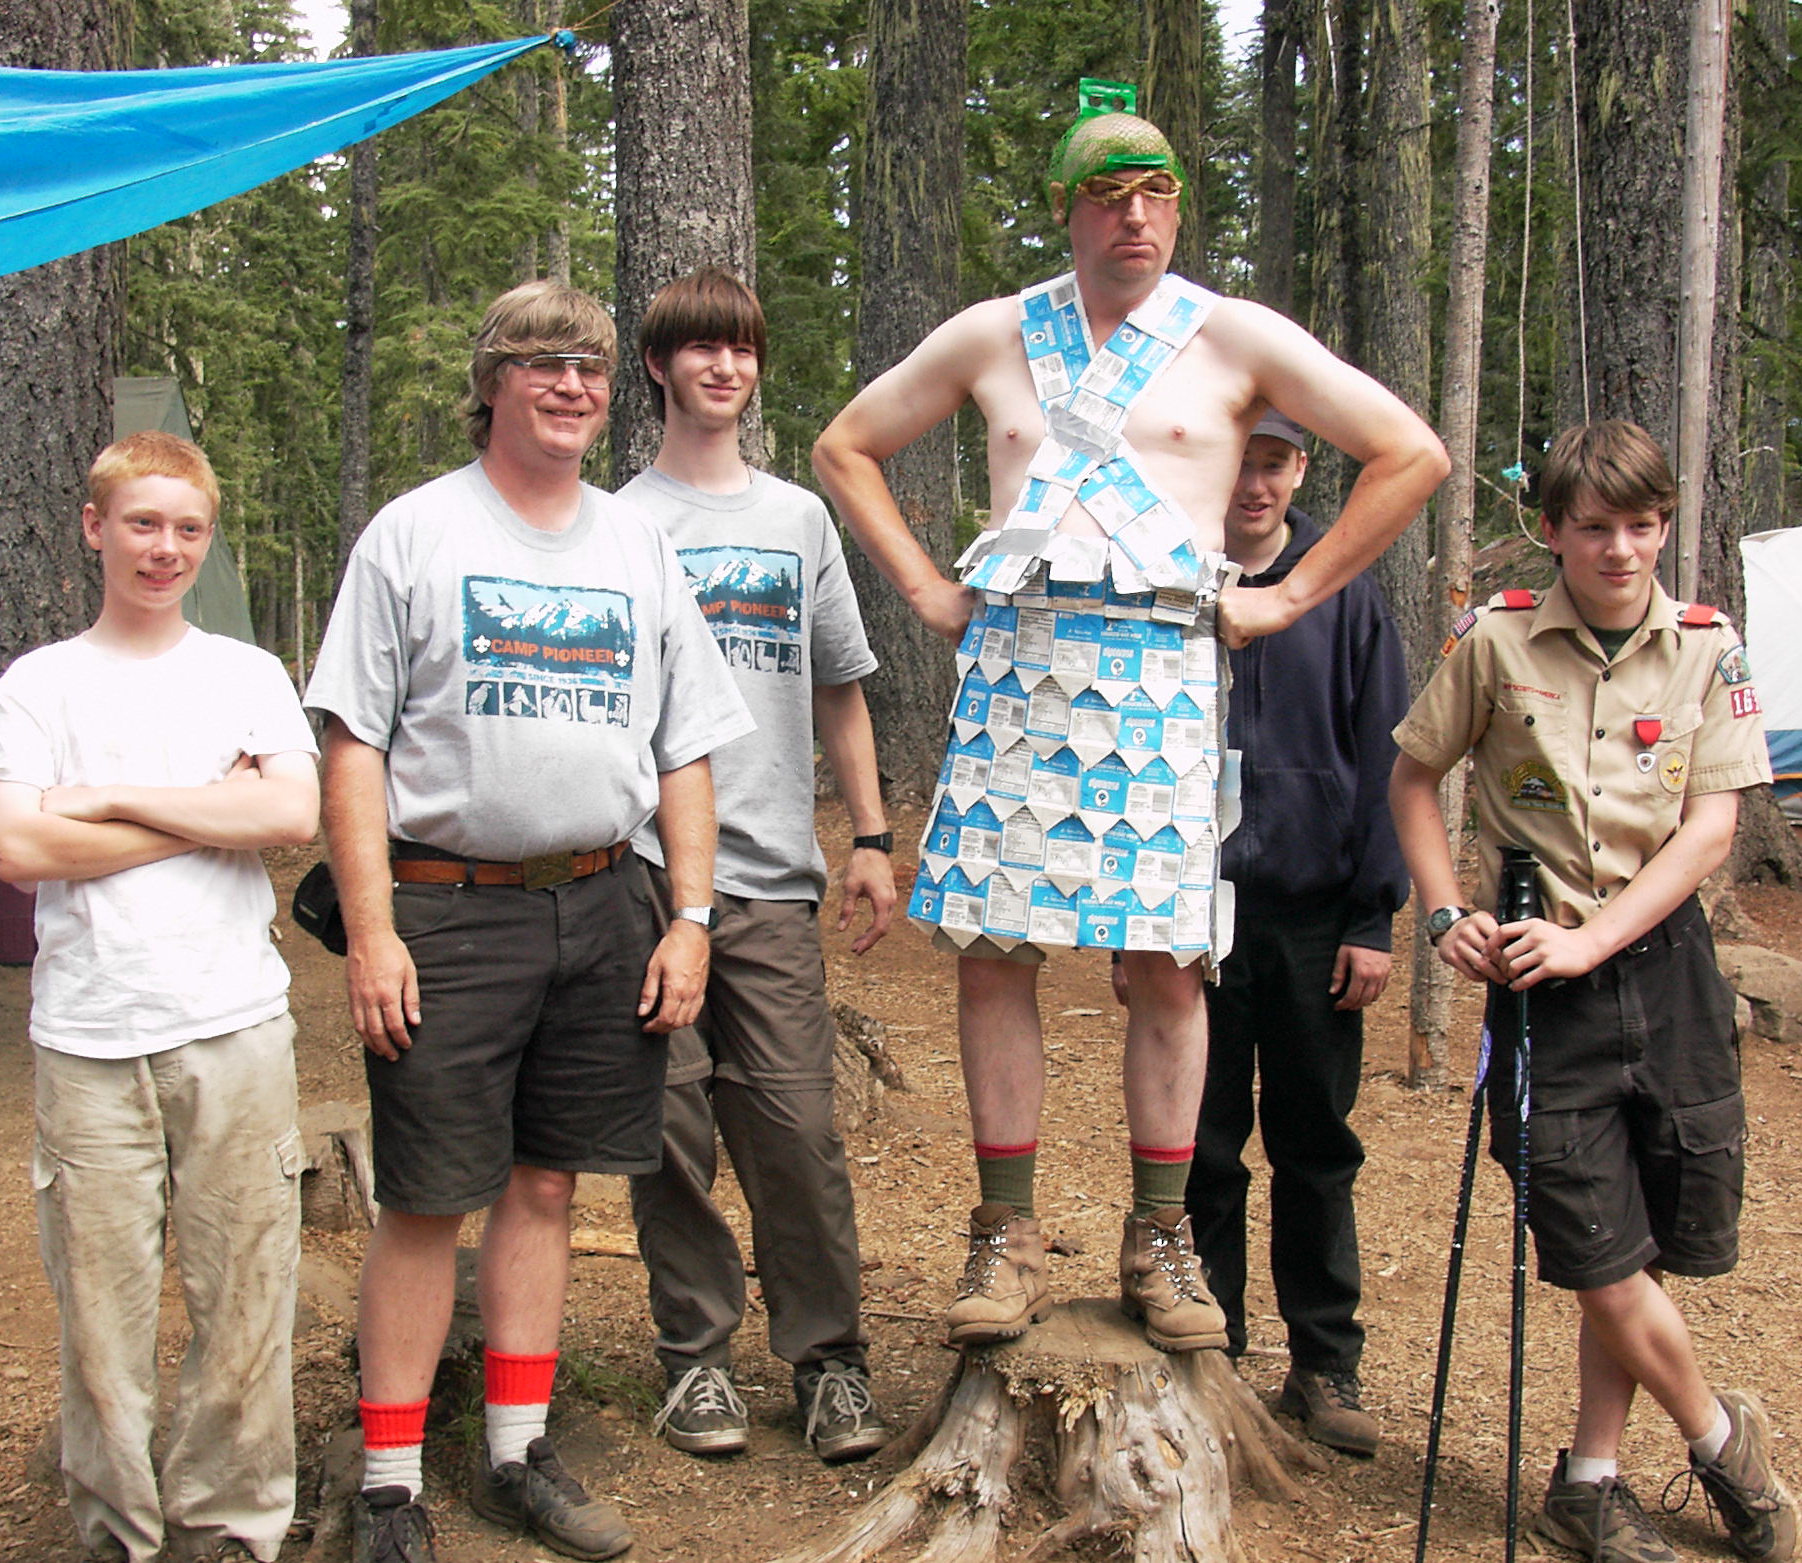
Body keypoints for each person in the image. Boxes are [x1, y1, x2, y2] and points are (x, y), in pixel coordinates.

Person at [812, 85, 1446, 1353]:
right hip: (1016, 669)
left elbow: (1410, 453)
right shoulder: (999, 335)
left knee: (1167, 961)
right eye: (1108, 197)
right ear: (1067, 210)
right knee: (995, 951)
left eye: (1157, 194)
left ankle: (1161, 1237)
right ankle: (1005, 1233)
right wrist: (929, 591)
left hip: (1164, 678)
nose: (1136, 218)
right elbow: (845, 446)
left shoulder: (1232, 336)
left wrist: (1287, 596)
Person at [305, 281, 751, 1563]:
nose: (572, 385)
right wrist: (372, 930)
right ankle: (391, 1485)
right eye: (544, 362)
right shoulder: (416, 534)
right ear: (492, 382)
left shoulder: (636, 545)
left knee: (549, 1184)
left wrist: (690, 917)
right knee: (424, 1197)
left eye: (592, 367)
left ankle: (515, 1449)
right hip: (447, 910)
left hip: (603, 904)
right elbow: (353, 745)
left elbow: (684, 747)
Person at [1388, 421, 1802, 1563]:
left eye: (1642, 525)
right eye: (1594, 527)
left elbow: (1711, 829)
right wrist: (1442, 914)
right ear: (1553, 530)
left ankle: (1590, 1478)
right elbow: (1414, 777)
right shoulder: (1497, 639)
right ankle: (1721, 1441)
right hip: (1538, 985)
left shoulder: (1708, 650)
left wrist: (1595, 943)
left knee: (1642, 1243)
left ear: (1665, 526)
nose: (1621, 549)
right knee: (1596, 1252)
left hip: (1665, 973)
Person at [0, 431, 321, 1563]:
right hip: (88, 1037)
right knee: (100, 1315)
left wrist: (114, 799)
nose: (163, 549)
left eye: (186, 529)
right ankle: (113, 1558)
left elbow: (291, 811)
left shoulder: (244, 674)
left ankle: (234, 1542)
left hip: (232, 1027)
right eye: (141, 524)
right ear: (95, 528)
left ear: (205, 539)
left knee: (246, 1296)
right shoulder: (40, 685)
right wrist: (209, 807)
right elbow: (19, 845)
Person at [619, 269, 899, 1465]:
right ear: (659, 367)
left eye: (740, 349)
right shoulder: (617, 523)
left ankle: (830, 1363)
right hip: (643, 873)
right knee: (668, 1126)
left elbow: (839, 685)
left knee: (795, 1127)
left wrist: (871, 837)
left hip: (776, 869)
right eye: (700, 349)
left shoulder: (797, 520)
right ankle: (695, 1360)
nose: (724, 368)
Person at [1183, 408, 1407, 1453]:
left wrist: (1373, 917)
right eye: (1239, 462)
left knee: (1315, 1146)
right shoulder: (1176, 580)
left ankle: (1325, 1362)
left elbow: (1388, 755)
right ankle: (1208, 1352)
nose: (1254, 484)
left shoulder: (1344, 588)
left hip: (1318, 918)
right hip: (1197, 920)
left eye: (1273, 464)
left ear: (1300, 468)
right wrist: (1141, 924)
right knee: (1203, 1144)